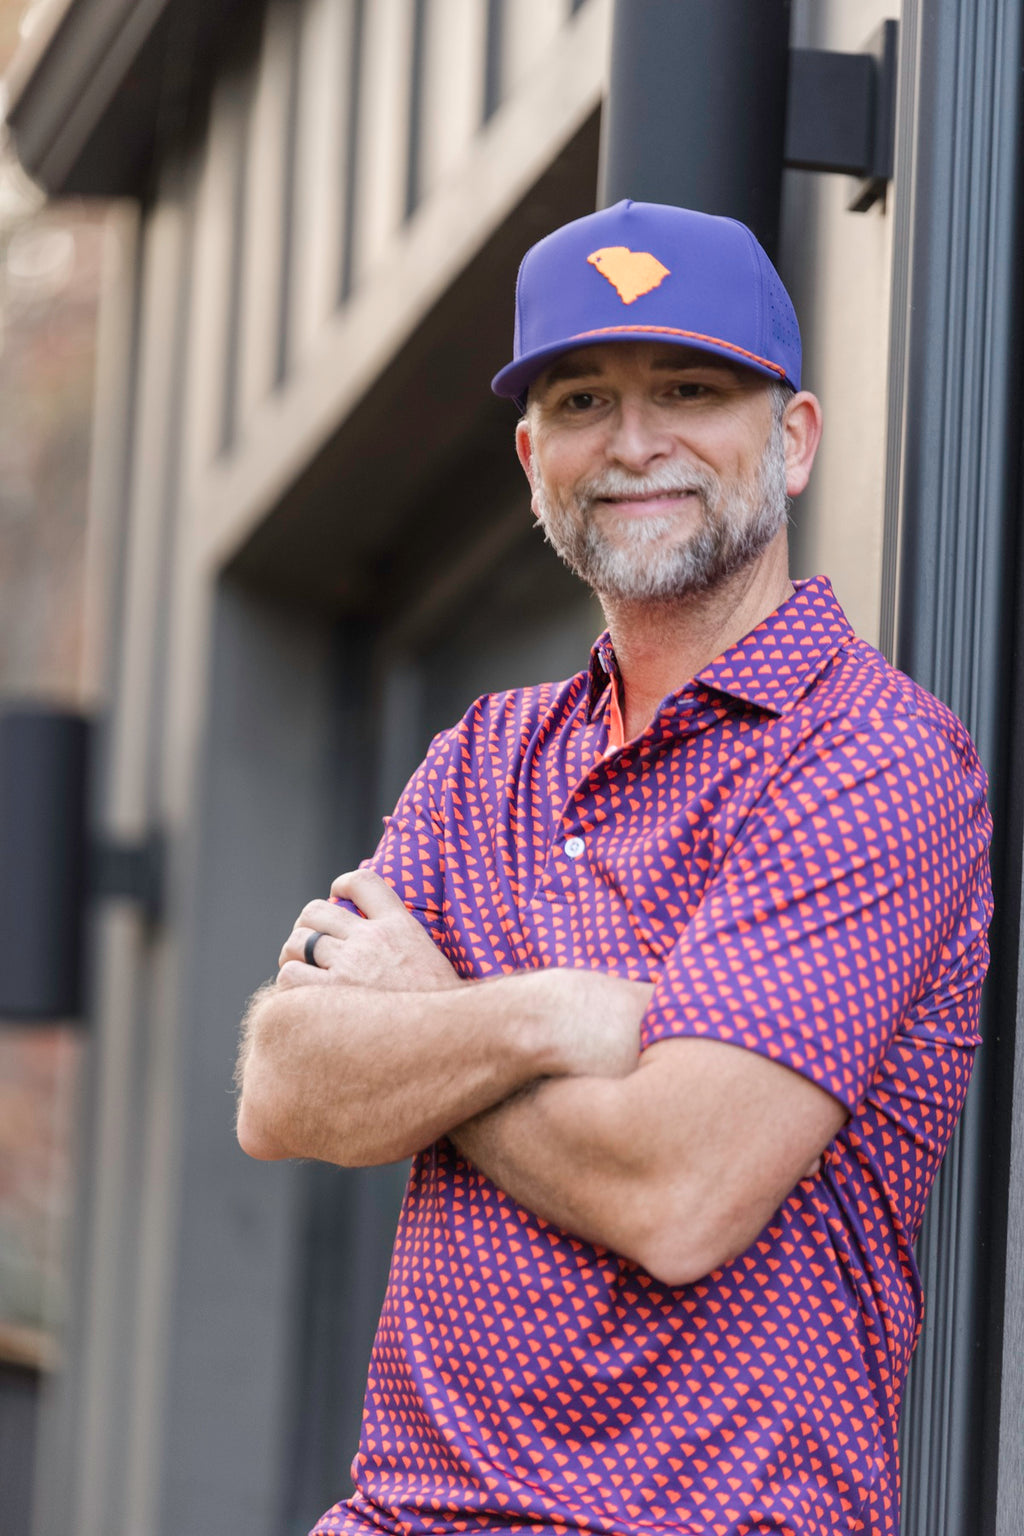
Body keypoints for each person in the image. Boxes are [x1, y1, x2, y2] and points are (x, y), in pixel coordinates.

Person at [235, 201, 992, 1536]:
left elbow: (679, 1191)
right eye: (585, 399)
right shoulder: (487, 757)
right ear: (534, 458)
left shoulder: (875, 758)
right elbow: (285, 1089)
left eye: (691, 389)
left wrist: (427, 1024)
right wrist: (543, 1013)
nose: (635, 442)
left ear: (795, 437)